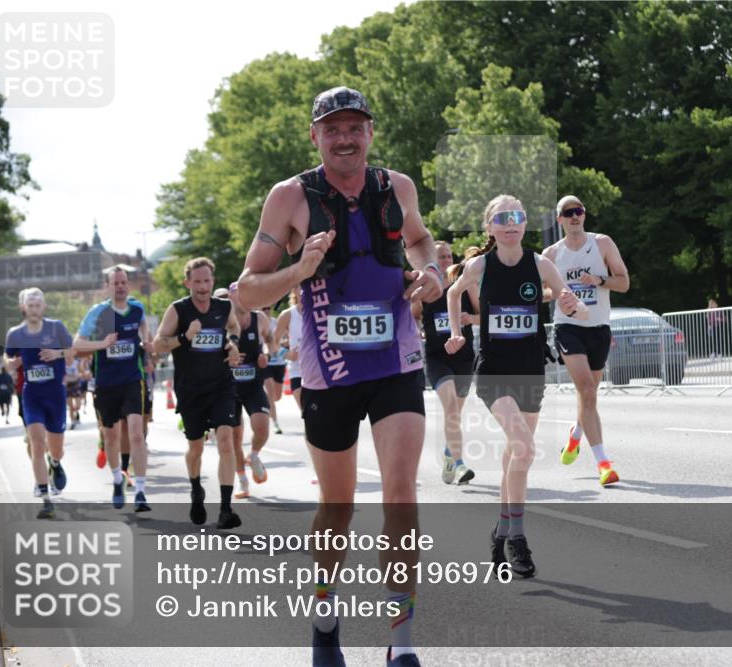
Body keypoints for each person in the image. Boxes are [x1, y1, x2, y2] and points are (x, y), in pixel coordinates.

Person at [238, 86, 441, 667]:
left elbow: (422, 241)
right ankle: (325, 615)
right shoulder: (290, 198)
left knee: (401, 495)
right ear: (316, 136)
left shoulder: (396, 187)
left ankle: (401, 642)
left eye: (355, 127)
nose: (345, 138)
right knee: (339, 505)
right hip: (329, 369)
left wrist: (430, 274)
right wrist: (300, 268)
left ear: (371, 132)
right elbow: (249, 289)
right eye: (333, 129)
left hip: (395, 359)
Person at [446, 194, 587, 580]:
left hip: (530, 368)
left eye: (518, 216)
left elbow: (566, 299)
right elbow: (453, 291)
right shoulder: (479, 265)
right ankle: (518, 538)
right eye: (502, 217)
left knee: (516, 455)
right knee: (524, 448)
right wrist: (457, 333)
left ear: (525, 223)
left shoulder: (540, 263)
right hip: (493, 370)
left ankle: (501, 530)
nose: (511, 222)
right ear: (490, 226)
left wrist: (572, 303)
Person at [543, 195, 629, 487]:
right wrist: (559, 292)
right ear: (560, 220)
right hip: (569, 327)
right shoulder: (551, 254)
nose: (574, 216)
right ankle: (604, 464)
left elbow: (624, 282)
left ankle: (576, 434)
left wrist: (600, 281)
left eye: (578, 211)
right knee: (587, 390)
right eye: (568, 213)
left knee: (590, 395)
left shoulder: (602, 243)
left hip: (599, 327)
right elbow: (540, 293)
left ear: (584, 214)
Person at [154, 257, 245, 530]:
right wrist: (184, 337)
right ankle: (196, 489)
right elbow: (159, 345)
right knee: (196, 448)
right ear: (188, 283)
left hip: (221, 385)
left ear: (213, 281)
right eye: (197, 282)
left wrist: (232, 344)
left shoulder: (223, 307)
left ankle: (226, 510)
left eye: (207, 281)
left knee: (226, 439)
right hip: (191, 391)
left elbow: (234, 327)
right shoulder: (178, 310)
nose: (203, 287)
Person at [73, 268, 154, 512]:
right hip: (106, 384)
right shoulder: (97, 313)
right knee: (111, 437)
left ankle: (140, 491)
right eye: (115, 283)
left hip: (132, 379)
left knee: (137, 434)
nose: (120, 286)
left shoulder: (137, 308)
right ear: (107, 286)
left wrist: (148, 344)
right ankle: (118, 479)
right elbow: (77, 344)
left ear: (128, 286)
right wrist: (102, 344)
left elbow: (144, 332)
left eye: (123, 282)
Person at [411, 241, 478, 485]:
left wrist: (471, 318)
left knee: (455, 414)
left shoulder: (465, 282)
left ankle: (450, 455)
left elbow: (484, 316)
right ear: (431, 259)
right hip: (438, 357)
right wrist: (416, 329)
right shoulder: (426, 288)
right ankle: (459, 465)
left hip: (464, 357)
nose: (447, 260)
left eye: (449, 256)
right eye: (441, 256)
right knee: (450, 406)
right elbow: (413, 316)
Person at [4, 288, 73, 519]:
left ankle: (55, 463)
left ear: (44, 307)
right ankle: (46, 499)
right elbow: (7, 359)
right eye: (30, 304)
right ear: (23, 307)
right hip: (31, 394)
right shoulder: (15, 334)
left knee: (56, 448)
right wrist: (11, 363)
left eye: (38, 304)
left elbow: (74, 352)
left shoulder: (57, 328)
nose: (34, 308)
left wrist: (58, 354)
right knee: (36, 442)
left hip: (55, 395)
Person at [214, 284, 274, 499]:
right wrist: (227, 358)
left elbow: (269, 339)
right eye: (238, 293)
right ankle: (242, 482)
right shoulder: (222, 319)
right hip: (229, 387)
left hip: (253, 385)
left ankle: (255, 455)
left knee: (262, 429)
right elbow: (211, 353)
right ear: (231, 296)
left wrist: (266, 354)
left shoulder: (259, 318)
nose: (243, 297)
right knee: (235, 438)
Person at [274, 288, 304, 419]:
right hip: (297, 370)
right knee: (308, 415)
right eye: (301, 287)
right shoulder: (287, 315)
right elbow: (272, 343)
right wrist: (286, 354)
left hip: (320, 370)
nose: (304, 290)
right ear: (295, 290)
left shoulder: (321, 312)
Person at [263, 305, 288, 435]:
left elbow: (285, 338)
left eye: (268, 308)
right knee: (270, 390)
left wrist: (284, 344)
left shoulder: (276, 322)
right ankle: (275, 423)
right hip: (265, 363)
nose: (266, 311)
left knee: (276, 396)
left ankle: (266, 406)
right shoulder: (258, 321)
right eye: (263, 308)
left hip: (279, 362)